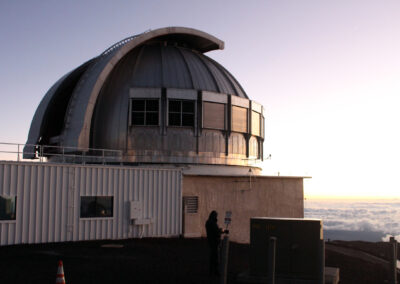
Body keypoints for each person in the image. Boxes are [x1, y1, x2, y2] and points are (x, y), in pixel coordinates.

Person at [205, 210, 223, 276]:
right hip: (214, 241)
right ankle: (215, 271)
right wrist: (221, 231)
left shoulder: (208, 222)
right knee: (215, 257)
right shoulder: (212, 223)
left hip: (211, 241)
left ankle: (212, 271)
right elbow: (216, 232)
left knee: (212, 257)